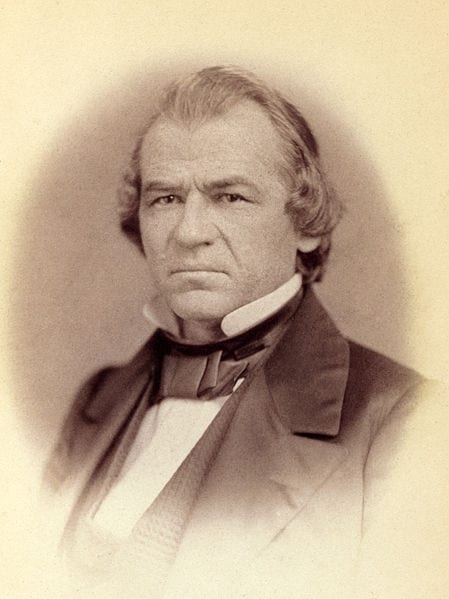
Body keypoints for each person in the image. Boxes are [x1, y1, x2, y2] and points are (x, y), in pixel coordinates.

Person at [44, 66, 448, 598]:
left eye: (230, 197)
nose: (189, 233)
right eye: (166, 199)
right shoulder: (97, 400)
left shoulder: (403, 421)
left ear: (306, 224)